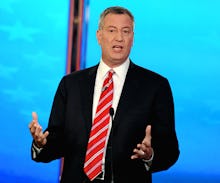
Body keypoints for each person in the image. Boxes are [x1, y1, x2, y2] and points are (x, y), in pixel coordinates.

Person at [29, 6, 180, 183]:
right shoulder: (71, 84)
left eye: (126, 31)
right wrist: (41, 144)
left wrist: (149, 155)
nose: (119, 37)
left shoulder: (155, 86)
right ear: (99, 36)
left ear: (132, 38)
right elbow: (57, 141)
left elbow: (170, 150)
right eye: (111, 30)